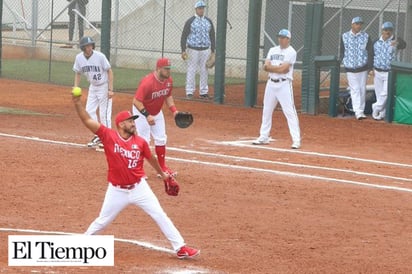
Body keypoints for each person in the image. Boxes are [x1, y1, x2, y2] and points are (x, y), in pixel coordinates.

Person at [71, 95, 200, 259]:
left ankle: (180, 247)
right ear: (121, 124)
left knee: (159, 214)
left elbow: (151, 159)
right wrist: (77, 104)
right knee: (102, 221)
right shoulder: (109, 136)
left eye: (134, 121)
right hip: (117, 191)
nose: (134, 124)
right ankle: (82, 243)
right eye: (130, 121)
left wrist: (164, 175)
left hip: (139, 188)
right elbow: (88, 120)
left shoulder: (140, 142)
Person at [253, 29, 301, 149]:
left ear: (288, 39)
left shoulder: (291, 52)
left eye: (283, 37)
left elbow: (284, 70)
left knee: (290, 112)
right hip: (271, 84)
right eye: (279, 37)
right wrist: (276, 68)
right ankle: (263, 136)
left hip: (284, 84)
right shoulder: (272, 50)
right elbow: (265, 66)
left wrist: (272, 68)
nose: (280, 39)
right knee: (266, 111)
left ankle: (296, 140)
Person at [132, 58, 179, 176]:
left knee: (161, 138)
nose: (168, 71)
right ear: (158, 69)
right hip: (141, 112)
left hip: (157, 112)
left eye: (169, 69)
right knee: (144, 141)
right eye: (166, 69)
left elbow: (168, 96)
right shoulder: (147, 82)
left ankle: (162, 168)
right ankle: (138, 170)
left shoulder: (168, 81)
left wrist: (174, 111)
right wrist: (147, 115)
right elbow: (136, 101)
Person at [73, 36, 114, 148]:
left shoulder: (100, 56)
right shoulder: (79, 58)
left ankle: (108, 138)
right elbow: (77, 72)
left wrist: (110, 89)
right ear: (83, 48)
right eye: (87, 46)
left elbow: (109, 71)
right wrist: (75, 87)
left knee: (104, 114)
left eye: (91, 45)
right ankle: (100, 135)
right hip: (93, 87)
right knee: (89, 111)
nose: (89, 47)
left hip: (104, 86)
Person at [180, 0, 216, 100]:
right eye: (199, 8)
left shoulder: (208, 21)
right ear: (196, 9)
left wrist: (213, 50)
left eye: (203, 8)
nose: (201, 10)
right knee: (192, 69)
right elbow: (184, 36)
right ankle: (189, 91)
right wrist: (183, 50)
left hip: (205, 49)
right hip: (193, 49)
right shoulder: (190, 21)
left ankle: (203, 92)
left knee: (204, 70)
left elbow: (212, 35)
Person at [340, 16, 373, 120]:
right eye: (357, 24)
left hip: (362, 67)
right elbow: (342, 51)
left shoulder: (366, 36)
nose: (359, 26)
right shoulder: (344, 36)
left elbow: (370, 52)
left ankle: (360, 111)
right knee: (355, 89)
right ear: (352, 24)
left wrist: (369, 66)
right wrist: (343, 62)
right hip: (350, 67)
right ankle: (358, 112)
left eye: (360, 24)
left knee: (362, 89)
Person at [371, 21, 406, 120]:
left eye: (390, 30)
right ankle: (382, 113)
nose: (388, 32)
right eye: (386, 30)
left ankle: (376, 107)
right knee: (379, 93)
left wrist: (397, 41)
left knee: (385, 93)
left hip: (389, 72)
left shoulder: (395, 41)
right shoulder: (376, 41)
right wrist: (372, 68)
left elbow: (404, 45)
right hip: (377, 71)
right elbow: (372, 55)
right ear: (382, 30)